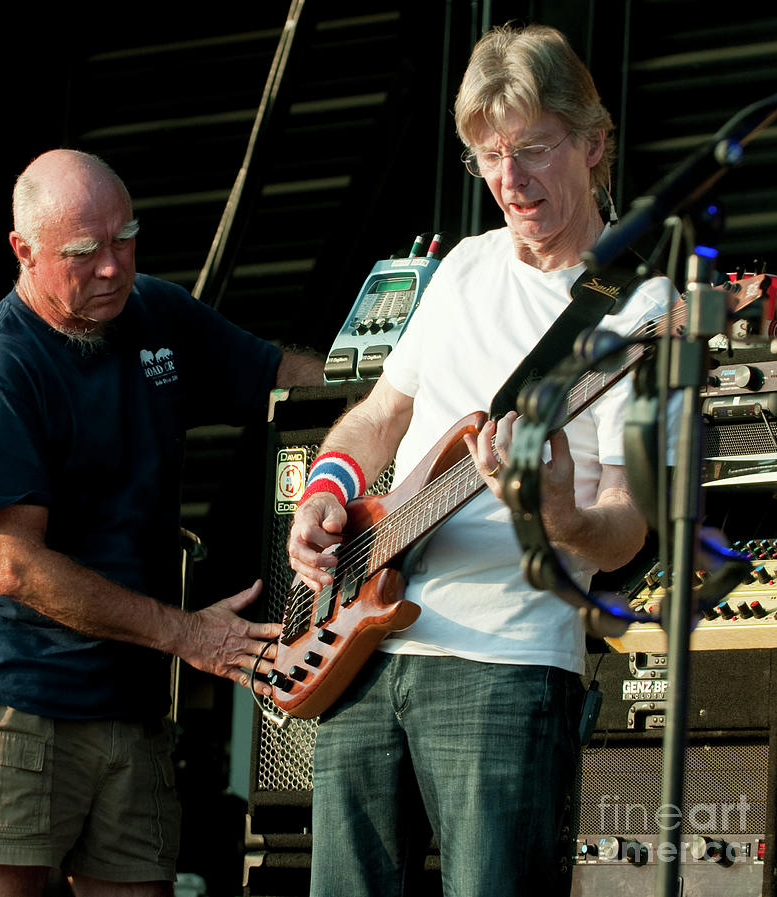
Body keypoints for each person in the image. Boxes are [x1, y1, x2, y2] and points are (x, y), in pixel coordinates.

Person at [287, 23, 673, 897]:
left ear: (594, 143)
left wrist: (561, 512)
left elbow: (624, 531)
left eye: (533, 149)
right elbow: (382, 415)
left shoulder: (642, 306)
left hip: (505, 667)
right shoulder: (461, 267)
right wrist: (326, 491)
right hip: (363, 648)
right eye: (489, 156)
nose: (509, 179)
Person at [0, 148, 323, 897]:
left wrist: (413, 382)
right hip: (5, 693)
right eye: (82, 251)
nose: (111, 267)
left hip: (124, 699)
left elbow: (286, 379)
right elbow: (14, 566)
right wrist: (191, 634)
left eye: (125, 237)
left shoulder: (156, 311)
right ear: (23, 252)